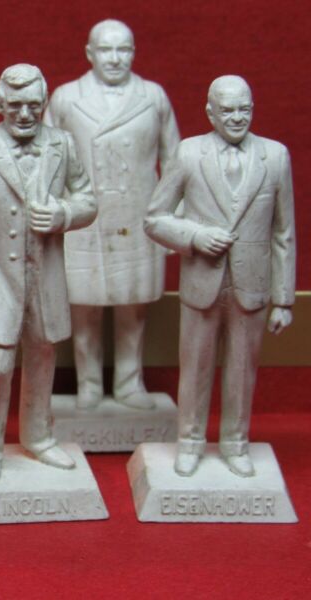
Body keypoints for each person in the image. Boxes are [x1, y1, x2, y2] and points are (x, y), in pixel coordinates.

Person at [0, 64, 97, 485]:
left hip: (46, 278)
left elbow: (88, 200)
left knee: (43, 356)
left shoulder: (62, 145)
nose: (25, 114)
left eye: (33, 105)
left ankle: (38, 435)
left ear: (44, 103)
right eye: (15, 106)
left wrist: (64, 214)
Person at [145, 75, 295, 477]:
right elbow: (154, 218)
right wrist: (195, 236)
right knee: (194, 368)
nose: (237, 117)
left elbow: (283, 233)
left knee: (242, 370)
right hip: (201, 283)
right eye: (227, 110)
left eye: (244, 109)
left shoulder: (275, 156)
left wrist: (283, 299)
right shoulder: (188, 153)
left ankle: (235, 443)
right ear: (210, 112)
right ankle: (190, 442)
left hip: (252, 286)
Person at [45, 19, 180, 410]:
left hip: (138, 216)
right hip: (84, 218)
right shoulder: (66, 98)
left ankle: (128, 383)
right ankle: (87, 385)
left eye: (123, 49)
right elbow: (48, 159)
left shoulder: (153, 97)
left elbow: (176, 162)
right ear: (90, 53)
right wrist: (53, 214)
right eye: (106, 50)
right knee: (84, 306)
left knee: (133, 307)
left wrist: (174, 221)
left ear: (134, 53)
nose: (115, 58)